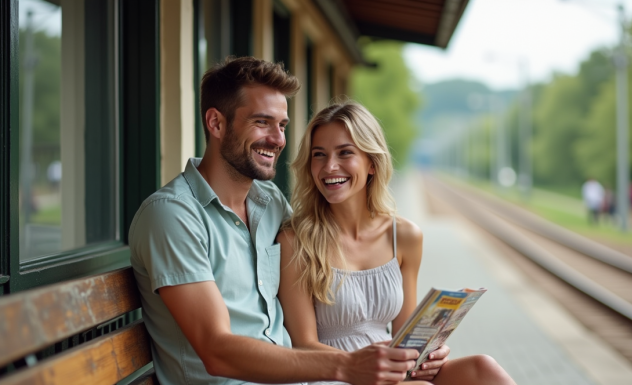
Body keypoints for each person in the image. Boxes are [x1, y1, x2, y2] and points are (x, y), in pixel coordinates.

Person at [128, 57, 419, 385]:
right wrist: (347, 366)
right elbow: (216, 350)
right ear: (216, 123)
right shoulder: (173, 215)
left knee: (476, 372)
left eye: (281, 125)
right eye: (262, 122)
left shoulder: (270, 205)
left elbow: (323, 256)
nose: (278, 139)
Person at [276, 101, 517, 385]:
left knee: (483, 368)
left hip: (391, 375)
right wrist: (360, 365)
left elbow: (406, 337)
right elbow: (303, 346)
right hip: (332, 375)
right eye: (319, 155)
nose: (329, 166)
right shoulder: (295, 240)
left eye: (345, 153)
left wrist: (429, 354)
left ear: (372, 164)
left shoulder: (404, 236)